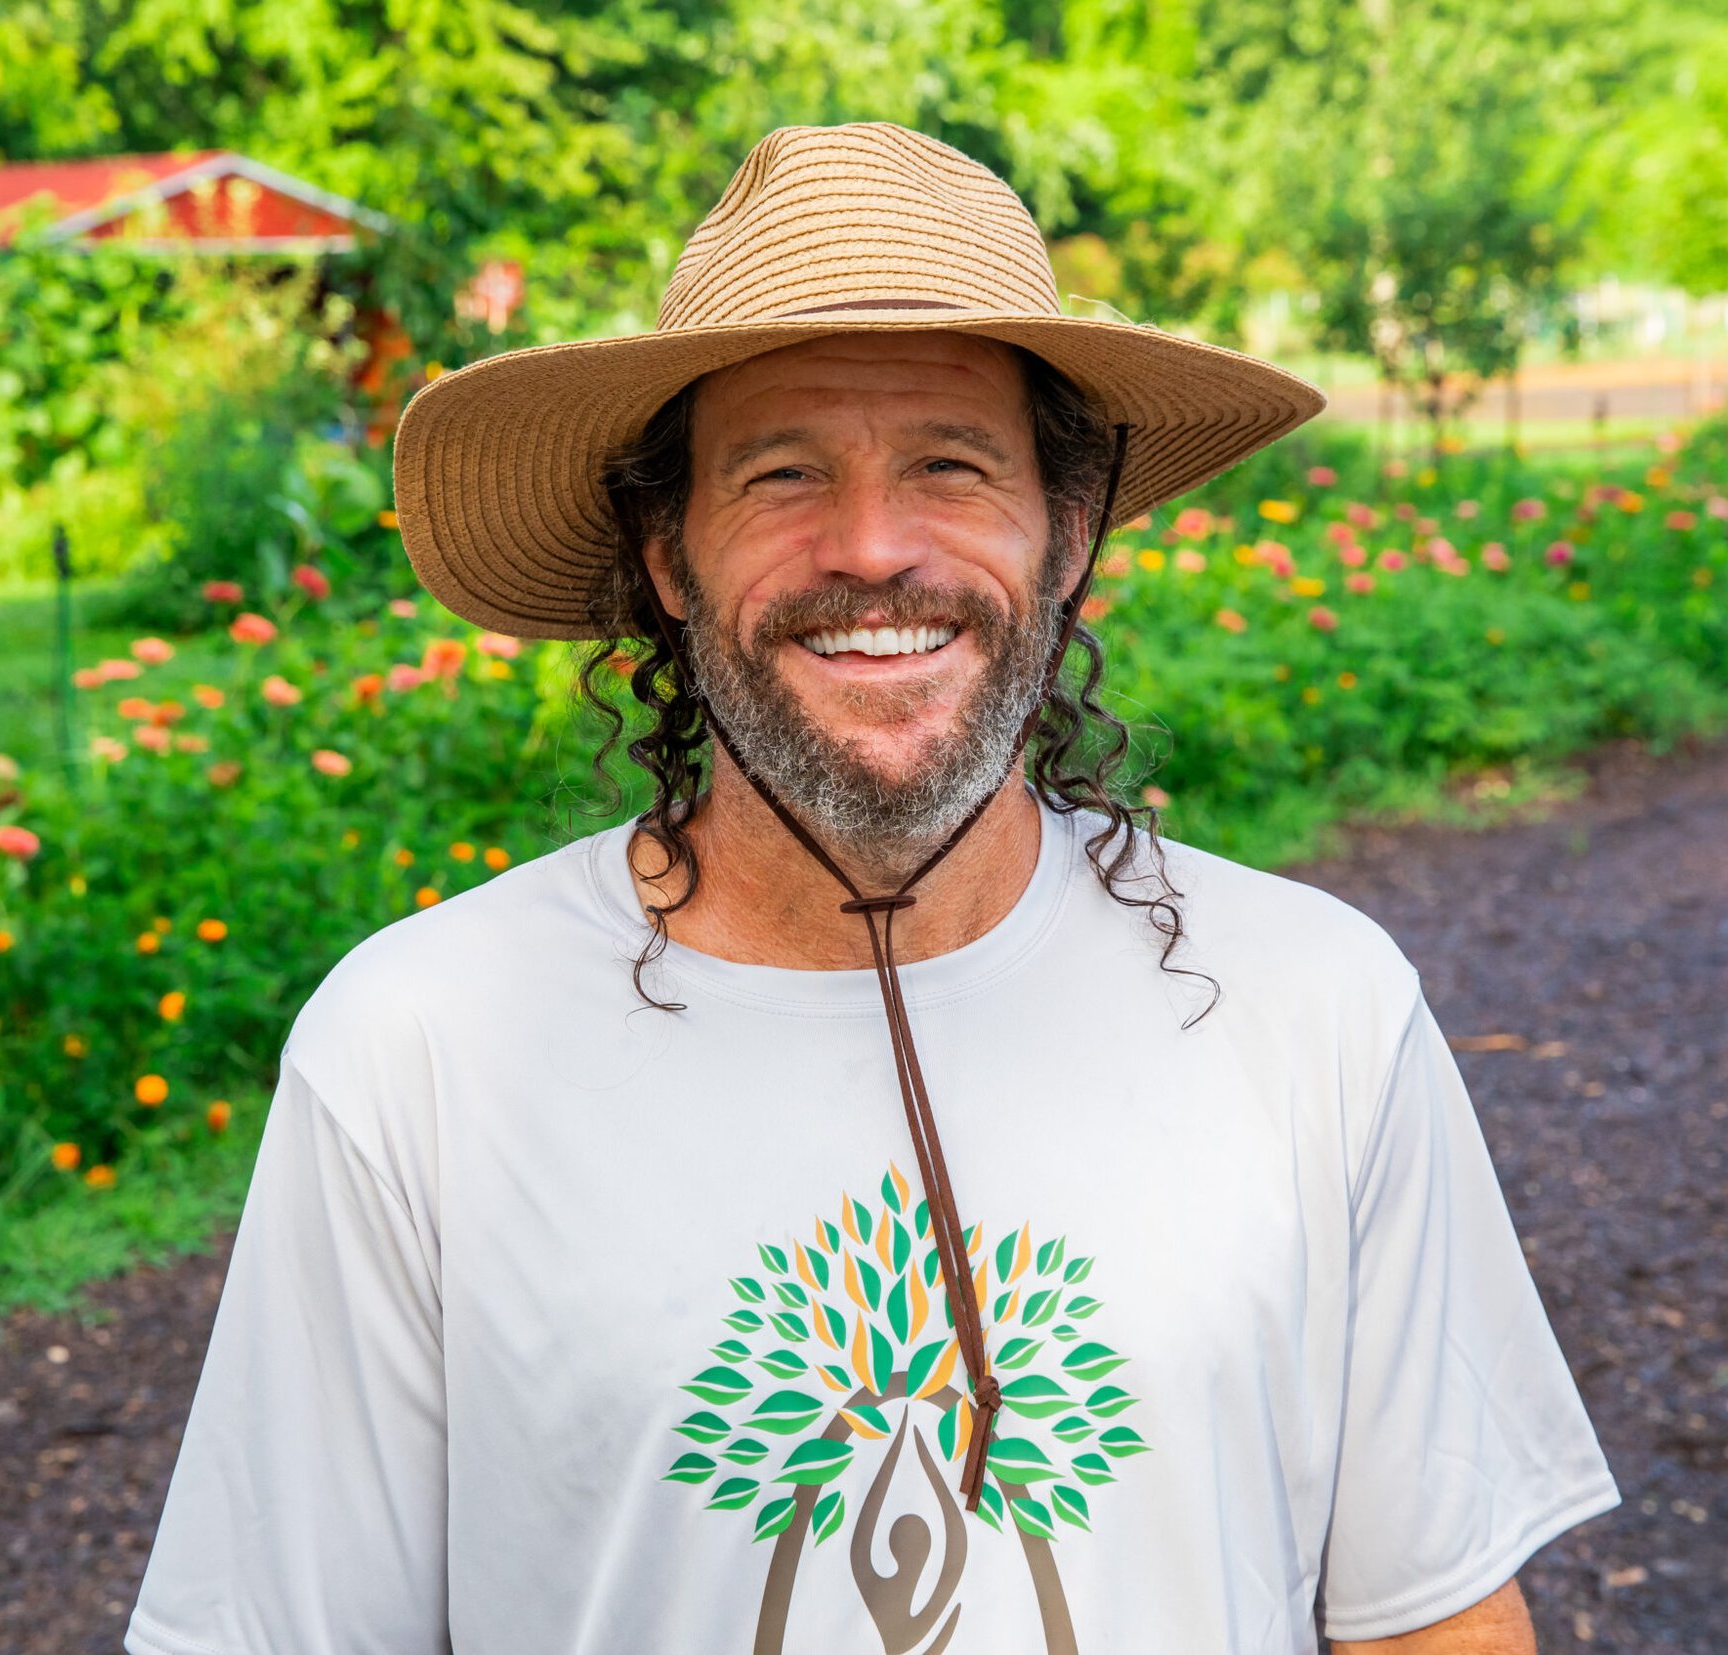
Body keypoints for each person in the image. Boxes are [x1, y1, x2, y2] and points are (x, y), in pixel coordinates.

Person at [128, 121, 1617, 1655]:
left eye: (951, 465)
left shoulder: (1313, 1007)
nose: (873, 547)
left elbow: (1432, 1622)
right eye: (782, 475)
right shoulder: (424, 1049)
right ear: (665, 551)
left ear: (1071, 529)